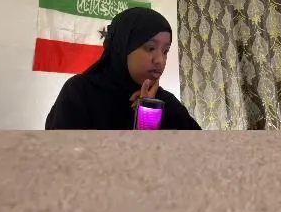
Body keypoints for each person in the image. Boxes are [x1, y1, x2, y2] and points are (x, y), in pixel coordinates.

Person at [44, 7, 202, 130]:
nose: (160, 60)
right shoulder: (80, 92)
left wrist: (148, 113)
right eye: (150, 48)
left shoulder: (165, 102)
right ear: (123, 48)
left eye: (165, 51)